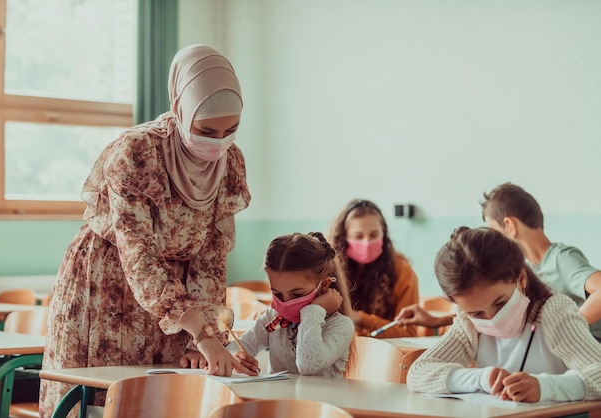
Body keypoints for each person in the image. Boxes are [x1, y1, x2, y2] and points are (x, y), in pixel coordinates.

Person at [40, 44, 253, 416]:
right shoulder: (137, 152)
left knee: (163, 402)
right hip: (108, 286)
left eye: (230, 130)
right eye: (206, 130)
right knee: (103, 404)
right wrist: (200, 332)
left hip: (177, 303)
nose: (218, 144)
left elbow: (211, 258)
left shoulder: (230, 163)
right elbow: (139, 257)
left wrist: (201, 339)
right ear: (180, 109)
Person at [407, 227, 601, 403]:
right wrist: (482, 378)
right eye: (477, 313)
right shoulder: (468, 324)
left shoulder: (552, 313)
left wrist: (544, 387)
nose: (492, 318)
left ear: (521, 278)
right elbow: (417, 373)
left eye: (500, 303)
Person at [397, 183, 601, 341]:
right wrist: (437, 320)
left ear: (509, 225)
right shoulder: (524, 271)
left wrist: (567, 328)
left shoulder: (560, 257)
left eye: (493, 232)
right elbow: (499, 315)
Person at [228, 232, 356, 377]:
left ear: (324, 285)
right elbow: (242, 345)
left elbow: (308, 366)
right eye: (277, 294)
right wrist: (235, 355)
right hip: (278, 399)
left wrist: (314, 311)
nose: (286, 303)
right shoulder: (273, 317)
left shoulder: (340, 325)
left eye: (297, 295)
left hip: (319, 400)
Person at [328, 199, 419, 338]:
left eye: (374, 235)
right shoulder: (329, 270)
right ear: (343, 237)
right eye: (358, 236)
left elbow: (408, 333)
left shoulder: (402, 270)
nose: (367, 242)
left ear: (384, 234)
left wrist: (360, 318)